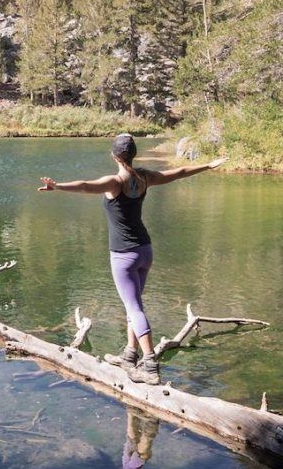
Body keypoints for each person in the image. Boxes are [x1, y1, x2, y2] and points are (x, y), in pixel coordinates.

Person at [38, 132, 226, 384]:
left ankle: (149, 365)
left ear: (113, 155)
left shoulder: (115, 182)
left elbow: (84, 185)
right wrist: (208, 165)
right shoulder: (145, 177)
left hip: (123, 256)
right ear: (133, 154)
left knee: (134, 307)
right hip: (145, 250)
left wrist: (57, 186)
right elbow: (180, 171)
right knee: (133, 303)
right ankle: (129, 355)